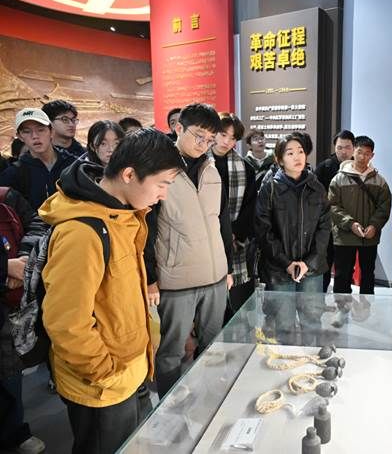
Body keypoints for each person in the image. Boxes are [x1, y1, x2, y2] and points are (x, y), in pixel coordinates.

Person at [40, 128, 184, 454]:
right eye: (162, 184)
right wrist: (105, 373)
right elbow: (66, 323)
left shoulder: (123, 215)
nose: (164, 195)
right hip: (102, 386)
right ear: (129, 174)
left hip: (128, 372)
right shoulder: (82, 232)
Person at [144, 103, 234, 399]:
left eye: (210, 139)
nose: (204, 144)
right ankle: (169, 410)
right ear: (178, 128)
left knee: (214, 346)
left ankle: (211, 399)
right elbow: (147, 229)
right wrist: (150, 277)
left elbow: (222, 222)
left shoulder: (212, 169)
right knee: (171, 352)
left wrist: (228, 267)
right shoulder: (159, 170)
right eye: (199, 136)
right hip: (176, 279)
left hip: (215, 277)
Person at [0, 188, 49, 454]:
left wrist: (23, 260)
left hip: (9, 304)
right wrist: (6, 267)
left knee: (9, 371)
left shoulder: (7, 197)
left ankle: (14, 431)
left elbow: (38, 221)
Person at [255, 132, 330, 293]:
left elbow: (324, 228)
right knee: (282, 310)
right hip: (278, 269)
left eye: (300, 151)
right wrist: (287, 263)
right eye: (290, 153)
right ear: (280, 160)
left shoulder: (317, 188)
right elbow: (263, 230)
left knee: (312, 310)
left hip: (312, 269)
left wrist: (308, 263)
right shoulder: (270, 189)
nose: (297, 157)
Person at [329, 135, 392, 295]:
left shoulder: (379, 181)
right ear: (353, 152)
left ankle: (366, 307)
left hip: (369, 237)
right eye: (359, 152)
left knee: (368, 275)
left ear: (372, 155)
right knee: (342, 275)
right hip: (344, 236)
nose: (362, 157)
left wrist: (374, 226)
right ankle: (342, 307)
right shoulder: (338, 179)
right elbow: (332, 206)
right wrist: (350, 224)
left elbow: (384, 207)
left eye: (367, 153)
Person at [211, 113, 257, 320]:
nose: (226, 142)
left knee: (238, 302)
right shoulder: (199, 164)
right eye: (223, 134)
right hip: (206, 237)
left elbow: (250, 206)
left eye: (232, 138)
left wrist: (234, 233)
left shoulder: (245, 167)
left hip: (235, 241)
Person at [0, 108, 77, 210]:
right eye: (27, 132)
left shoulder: (74, 165)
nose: (35, 136)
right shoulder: (12, 175)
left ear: (51, 131)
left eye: (40, 130)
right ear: (20, 137)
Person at [314, 130, 355, 291]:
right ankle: (320, 300)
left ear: (353, 148)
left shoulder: (359, 168)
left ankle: (343, 302)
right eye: (340, 147)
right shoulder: (324, 167)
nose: (344, 152)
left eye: (347, 147)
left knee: (345, 269)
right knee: (324, 265)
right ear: (334, 148)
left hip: (348, 227)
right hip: (327, 227)